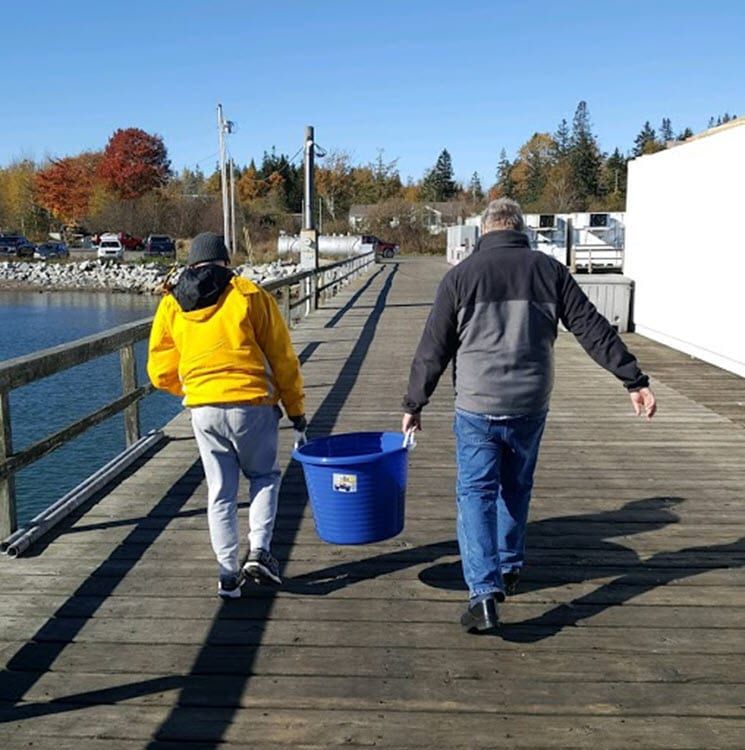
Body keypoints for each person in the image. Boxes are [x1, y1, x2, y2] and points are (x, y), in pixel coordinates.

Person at [401, 199, 656, 634]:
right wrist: (633, 379)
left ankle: (483, 594)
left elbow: (433, 348)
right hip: (530, 404)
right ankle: (510, 566)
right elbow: (592, 327)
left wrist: (414, 403)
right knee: (516, 486)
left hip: (477, 404)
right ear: (521, 230)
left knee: (475, 493)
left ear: (484, 232)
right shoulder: (550, 270)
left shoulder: (460, 277)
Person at [147, 232, 306, 599]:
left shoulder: (171, 304)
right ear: (225, 262)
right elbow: (283, 359)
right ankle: (260, 552)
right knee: (264, 476)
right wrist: (296, 411)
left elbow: (159, 371)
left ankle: (227, 574)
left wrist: (190, 390)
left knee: (220, 491)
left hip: (203, 409)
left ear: (192, 264)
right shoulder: (249, 295)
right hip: (252, 405)